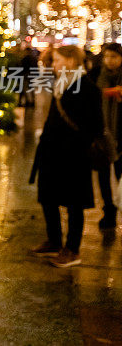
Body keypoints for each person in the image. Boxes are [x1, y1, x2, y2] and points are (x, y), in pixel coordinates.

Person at [29, 45, 104, 268]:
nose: (54, 65)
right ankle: (54, 241)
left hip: (74, 156)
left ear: (71, 61)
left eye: (57, 60)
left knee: (74, 203)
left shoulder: (88, 87)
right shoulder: (61, 83)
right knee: (48, 197)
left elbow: (96, 126)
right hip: (52, 152)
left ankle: (72, 249)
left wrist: (77, 144)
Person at [88, 42, 122, 229]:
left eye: (114, 57)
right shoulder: (95, 75)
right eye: (107, 56)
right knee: (102, 176)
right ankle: (109, 211)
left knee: (119, 175)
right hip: (101, 135)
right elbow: (88, 97)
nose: (109, 61)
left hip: (120, 136)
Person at [18, 43, 38, 108]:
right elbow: (36, 67)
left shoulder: (24, 58)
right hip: (32, 75)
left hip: (25, 75)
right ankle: (32, 102)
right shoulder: (34, 58)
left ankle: (25, 102)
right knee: (31, 89)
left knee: (24, 89)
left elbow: (21, 67)